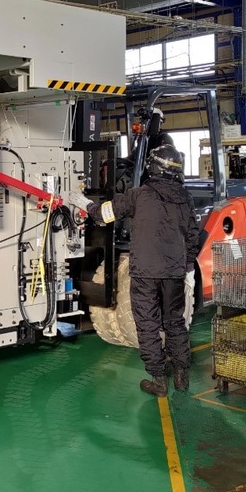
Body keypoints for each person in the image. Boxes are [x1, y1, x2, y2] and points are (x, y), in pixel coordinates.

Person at [68, 144, 200, 397]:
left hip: (145, 272)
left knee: (148, 323)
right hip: (174, 272)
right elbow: (192, 235)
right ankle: (182, 376)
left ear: (152, 168)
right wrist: (188, 267)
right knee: (175, 321)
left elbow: (104, 215)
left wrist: (85, 203)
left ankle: (158, 380)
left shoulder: (138, 195)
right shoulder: (186, 198)